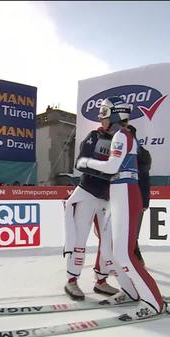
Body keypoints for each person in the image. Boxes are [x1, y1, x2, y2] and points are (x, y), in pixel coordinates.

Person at [77, 97, 165, 320]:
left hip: (125, 194)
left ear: (115, 114)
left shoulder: (122, 135)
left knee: (124, 255)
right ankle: (130, 291)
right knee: (109, 252)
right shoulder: (121, 135)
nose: (100, 117)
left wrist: (86, 162)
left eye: (104, 113)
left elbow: (112, 166)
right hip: (117, 195)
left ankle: (154, 302)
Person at [63, 120, 120, 301]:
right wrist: (106, 172)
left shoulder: (122, 140)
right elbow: (81, 162)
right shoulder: (94, 136)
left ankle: (101, 281)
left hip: (107, 197)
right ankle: (72, 280)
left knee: (108, 240)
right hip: (87, 192)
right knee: (80, 237)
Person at [127, 125, 151, 267]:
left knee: (132, 234)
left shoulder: (141, 153)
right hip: (124, 197)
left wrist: (144, 202)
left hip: (136, 198)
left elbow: (145, 179)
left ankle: (137, 263)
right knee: (129, 234)